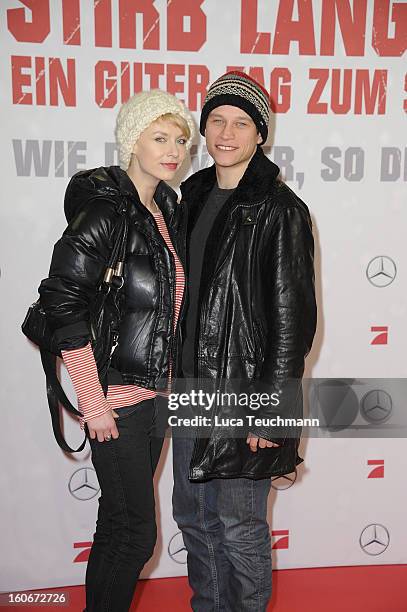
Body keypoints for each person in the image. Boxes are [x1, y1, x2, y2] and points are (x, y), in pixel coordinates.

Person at [38, 90, 195, 612]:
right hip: (115, 401)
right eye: (159, 137)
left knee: (117, 525)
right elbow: (62, 304)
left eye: (180, 140)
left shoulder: (163, 211)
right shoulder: (106, 210)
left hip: (154, 399)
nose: (173, 150)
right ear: (132, 140)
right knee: (135, 536)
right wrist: (93, 400)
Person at [172, 71, 317, 611]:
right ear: (203, 128)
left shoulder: (280, 209)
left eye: (241, 122)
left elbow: (292, 322)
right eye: (217, 120)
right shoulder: (188, 196)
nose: (226, 132)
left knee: (238, 526)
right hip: (188, 389)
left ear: (261, 134)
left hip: (243, 394)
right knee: (194, 519)